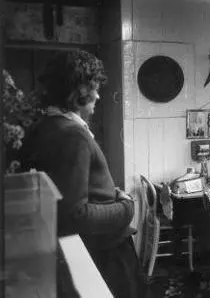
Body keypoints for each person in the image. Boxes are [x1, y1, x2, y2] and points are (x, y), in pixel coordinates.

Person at [21, 50, 141, 298]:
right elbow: (76, 214)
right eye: (93, 88)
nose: (98, 95)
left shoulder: (46, 127)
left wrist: (112, 191)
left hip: (88, 249)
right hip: (106, 253)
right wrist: (126, 206)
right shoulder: (72, 135)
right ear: (77, 93)